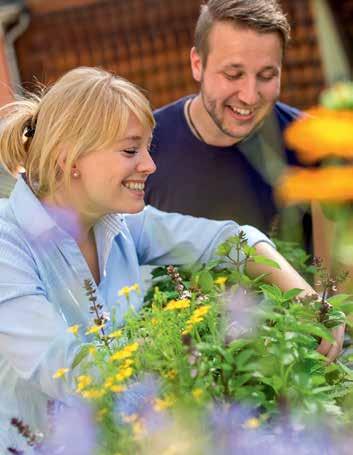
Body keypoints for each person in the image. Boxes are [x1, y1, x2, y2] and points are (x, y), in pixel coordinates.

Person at [0, 67, 342, 452]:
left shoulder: (121, 223)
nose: (150, 165)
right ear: (69, 158)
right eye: (131, 150)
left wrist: (308, 299)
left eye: (147, 147)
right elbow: (67, 368)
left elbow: (229, 240)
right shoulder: (7, 245)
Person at [145, 0, 311, 249]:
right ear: (197, 65)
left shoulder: (313, 144)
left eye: (267, 76)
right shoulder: (142, 146)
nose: (250, 96)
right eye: (233, 75)